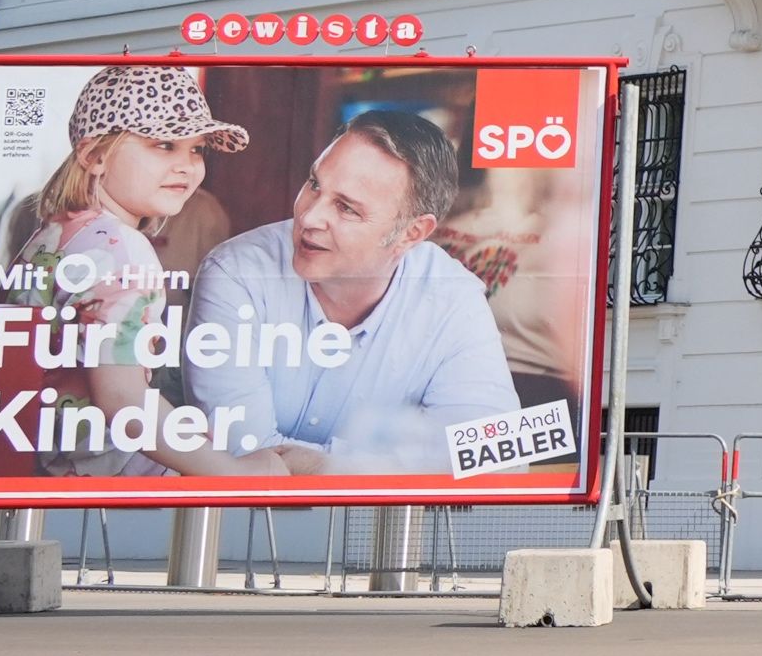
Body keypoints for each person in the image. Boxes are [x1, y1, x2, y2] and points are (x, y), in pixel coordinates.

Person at [185, 109, 519, 476]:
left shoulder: (453, 299)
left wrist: (331, 465)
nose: (309, 218)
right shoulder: (237, 272)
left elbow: (496, 456)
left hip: (383, 530)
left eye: (346, 208)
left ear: (412, 233)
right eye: (314, 184)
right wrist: (398, 463)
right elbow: (242, 455)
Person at [17, 67, 252, 479]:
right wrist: (236, 476)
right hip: (105, 476)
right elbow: (125, 400)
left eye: (197, 150)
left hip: (46, 465)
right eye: (164, 145)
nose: (188, 166)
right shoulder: (122, 247)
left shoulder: (58, 231)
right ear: (94, 157)